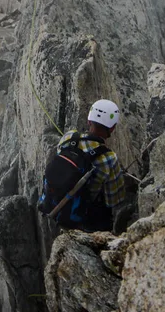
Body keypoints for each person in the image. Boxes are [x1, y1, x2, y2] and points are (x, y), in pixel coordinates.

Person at [56, 99, 125, 231]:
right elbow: (114, 200)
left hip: (57, 203)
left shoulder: (69, 137)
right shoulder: (109, 158)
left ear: (89, 121)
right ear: (112, 127)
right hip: (85, 217)